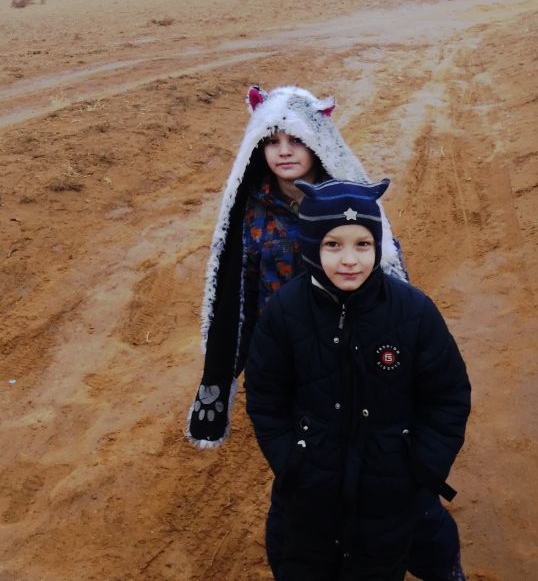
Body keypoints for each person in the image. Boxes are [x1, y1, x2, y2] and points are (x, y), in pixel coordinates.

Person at [185, 85, 465, 580]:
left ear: (319, 140)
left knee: (394, 492)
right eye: (270, 141)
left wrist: (422, 465)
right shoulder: (252, 211)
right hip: (297, 359)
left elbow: (394, 281)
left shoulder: (354, 201)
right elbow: (237, 291)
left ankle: (429, 557)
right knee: (316, 476)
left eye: (294, 138)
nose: (284, 151)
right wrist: (230, 375)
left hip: (364, 354)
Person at [244, 178, 471, 580]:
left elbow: (447, 397)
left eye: (362, 244)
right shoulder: (284, 311)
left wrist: (420, 469)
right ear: (312, 245)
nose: (349, 259)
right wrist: (291, 462)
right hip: (310, 492)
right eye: (333, 244)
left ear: (377, 246)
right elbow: (266, 397)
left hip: (392, 489)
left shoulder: (413, 312)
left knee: (392, 561)